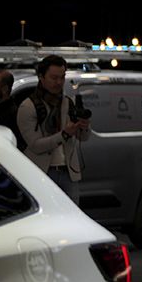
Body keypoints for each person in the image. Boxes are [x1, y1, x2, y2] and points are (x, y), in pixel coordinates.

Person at [17, 55, 91, 200]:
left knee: (71, 218)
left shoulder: (67, 102)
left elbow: (84, 137)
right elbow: (36, 145)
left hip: (69, 172)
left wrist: (84, 126)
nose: (59, 82)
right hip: (41, 173)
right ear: (41, 77)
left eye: (62, 77)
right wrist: (64, 134)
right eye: (54, 78)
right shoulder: (29, 106)